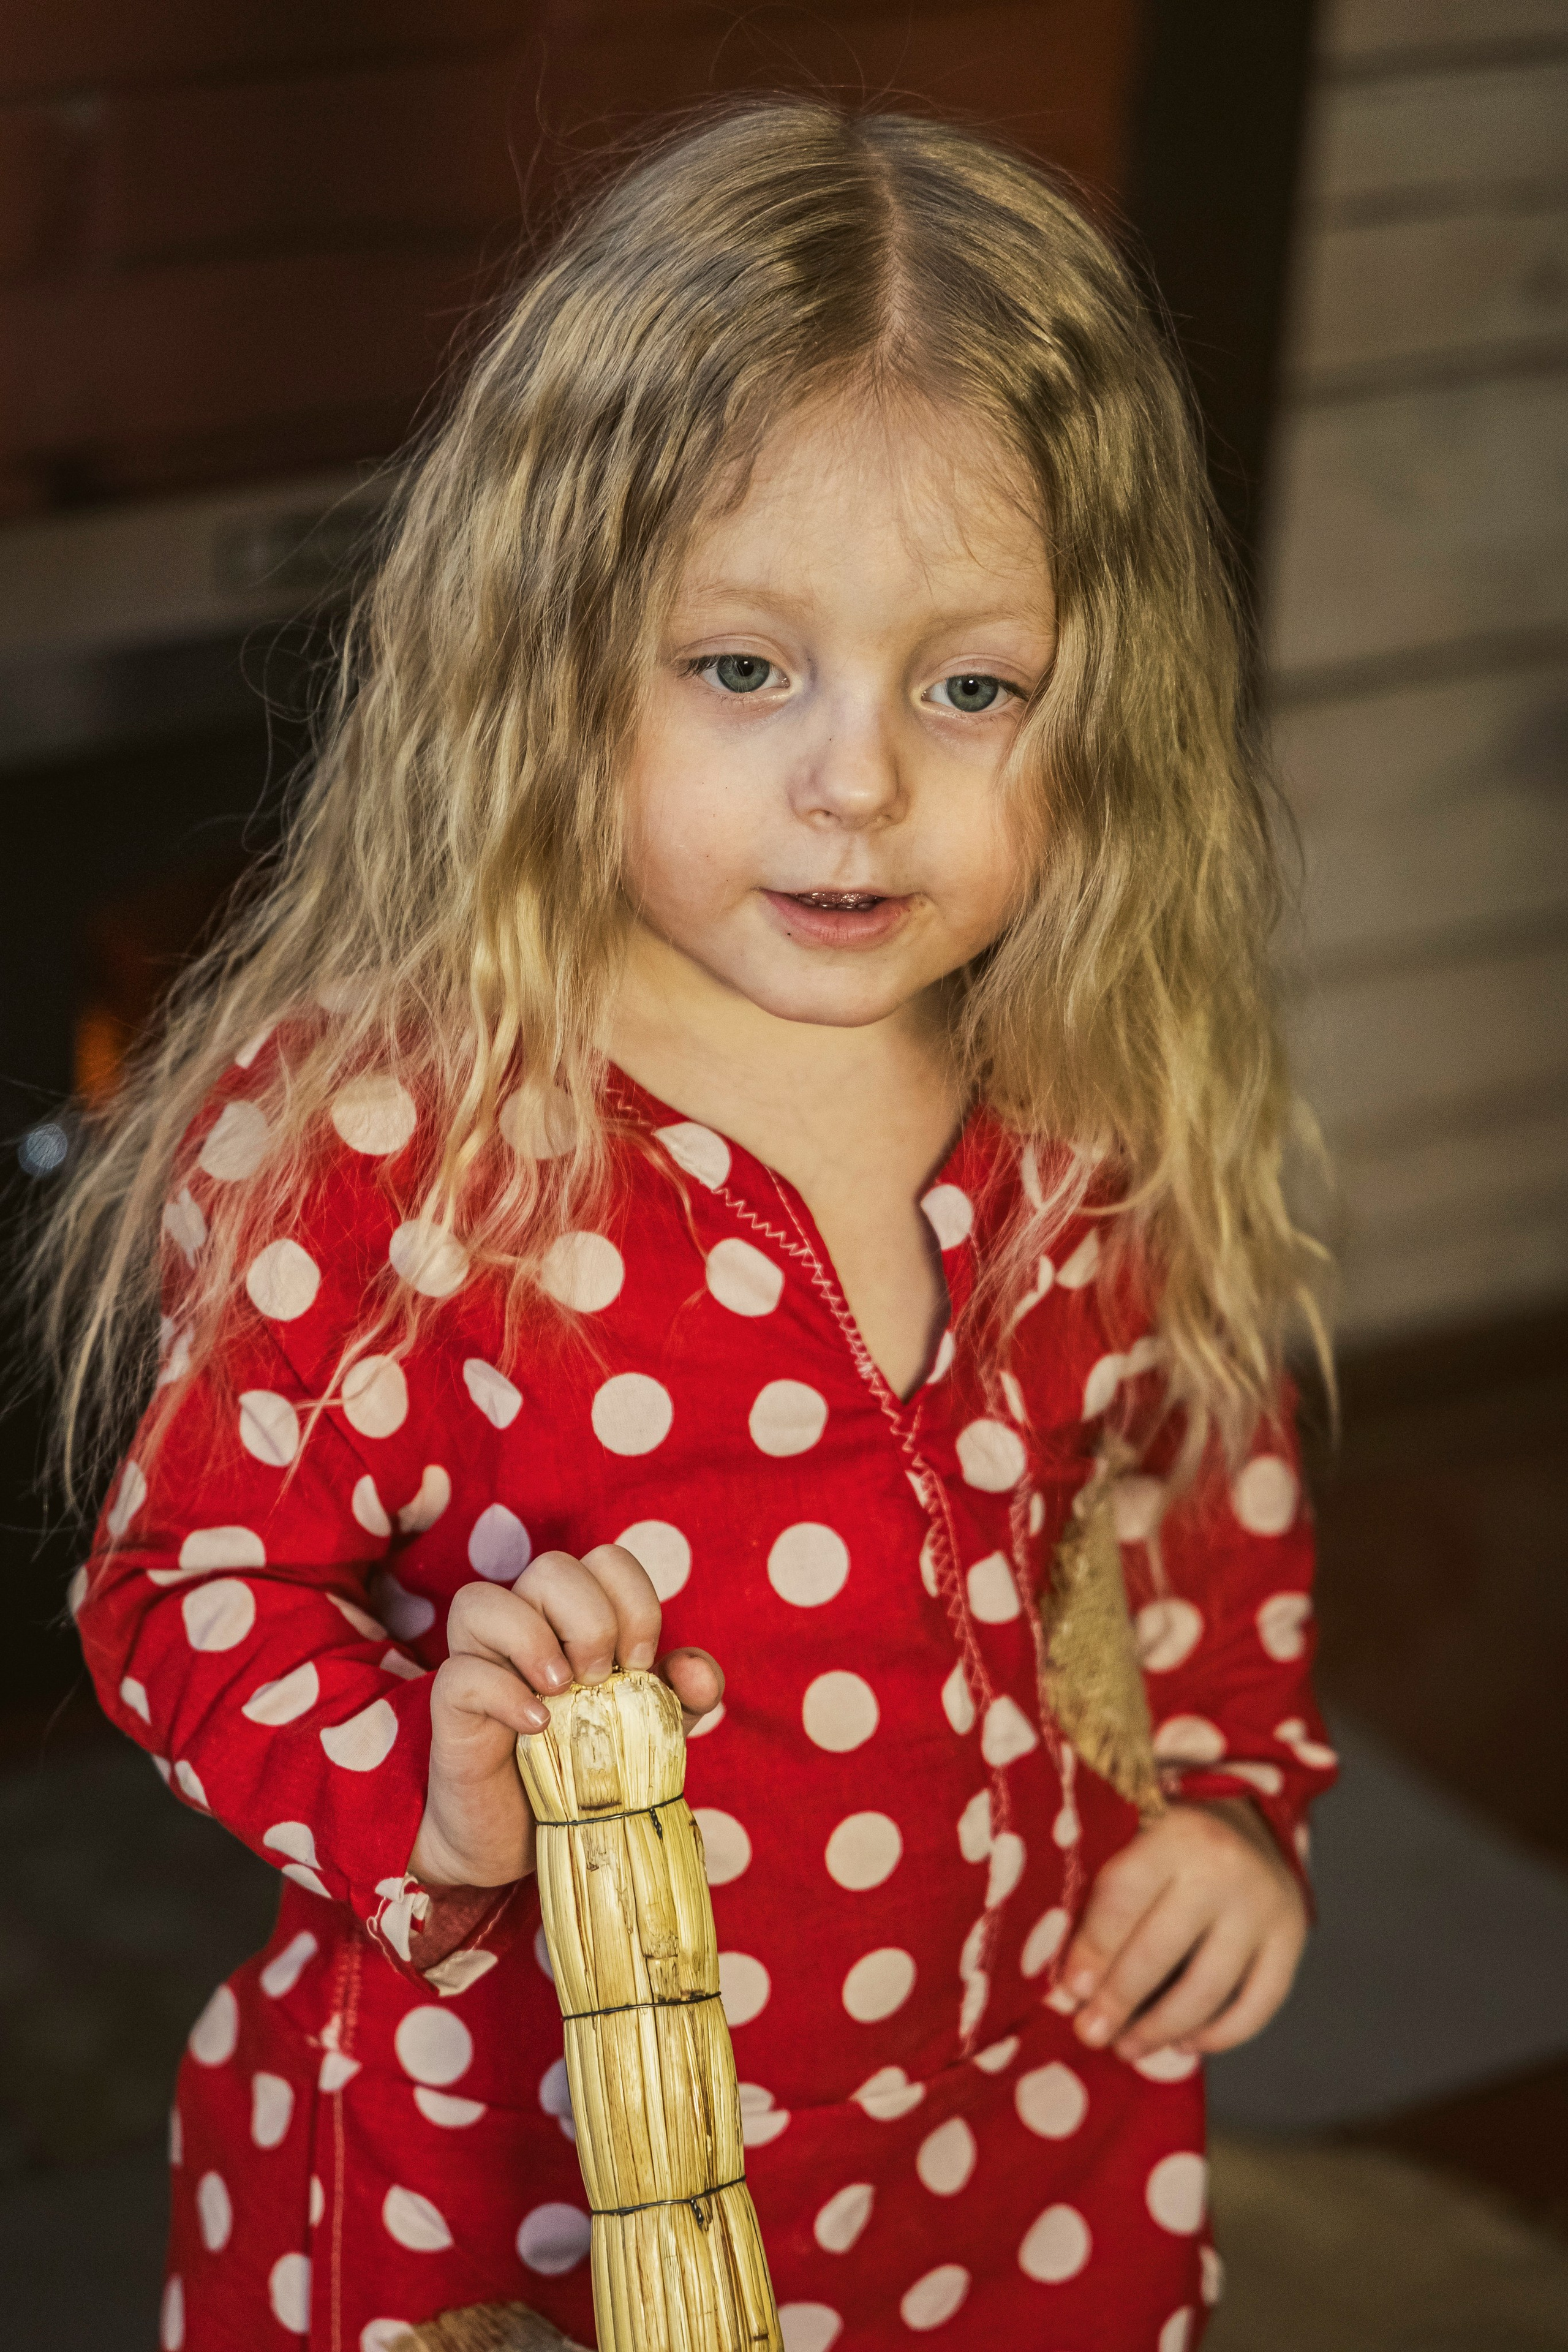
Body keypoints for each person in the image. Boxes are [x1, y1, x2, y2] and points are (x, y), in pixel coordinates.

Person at [40, 101, 1336, 2352]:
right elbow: (188, 1594)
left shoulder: (1074, 1103)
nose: (860, 781)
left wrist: (1230, 1801)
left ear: (1093, 704)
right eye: (743, 669)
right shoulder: (396, 1138)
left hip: (1005, 2132)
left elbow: (1187, 1490)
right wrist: (426, 1786)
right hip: (506, 2190)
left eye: (972, 687)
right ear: (554, 659)